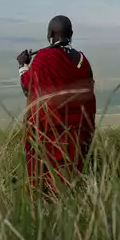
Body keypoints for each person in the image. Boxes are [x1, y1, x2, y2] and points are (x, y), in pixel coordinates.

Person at [16, 15, 96, 200]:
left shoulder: (44, 57)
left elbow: (28, 87)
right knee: (68, 187)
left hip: (49, 134)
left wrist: (23, 65)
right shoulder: (82, 60)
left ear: (50, 34)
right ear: (71, 34)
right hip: (77, 134)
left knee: (44, 185)